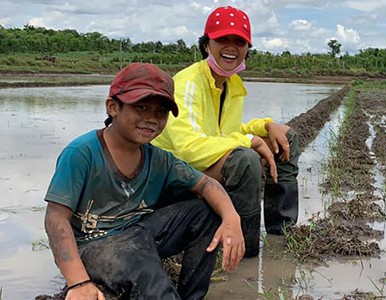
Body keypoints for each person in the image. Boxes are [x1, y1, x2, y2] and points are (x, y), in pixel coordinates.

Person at [43, 62, 244, 300]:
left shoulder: (158, 158)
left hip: (140, 231)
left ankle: (192, 296)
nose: (151, 119)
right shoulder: (82, 153)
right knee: (146, 273)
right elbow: (55, 220)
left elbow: (206, 185)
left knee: (205, 211)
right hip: (95, 243)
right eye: (142, 107)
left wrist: (232, 218)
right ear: (113, 107)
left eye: (161, 112)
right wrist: (78, 282)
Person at [152, 6, 300, 258]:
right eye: (223, 39)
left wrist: (264, 127)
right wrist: (249, 141)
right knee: (245, 159)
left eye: (239, 41)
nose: (231, 47)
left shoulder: (231, 83)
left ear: (247, 49)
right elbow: (189, 148)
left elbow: (225, 132)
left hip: (202, 163)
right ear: (207, 44)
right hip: (173, 173)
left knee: (286, 137)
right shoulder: (188, 83)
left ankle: (281, 231)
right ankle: (244, 249)